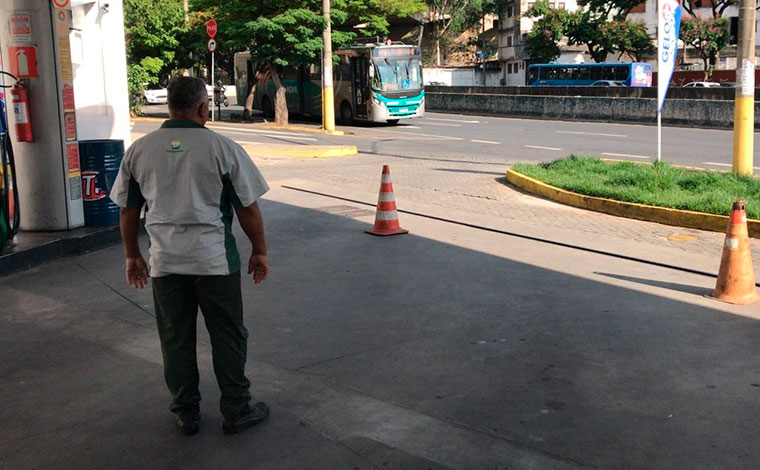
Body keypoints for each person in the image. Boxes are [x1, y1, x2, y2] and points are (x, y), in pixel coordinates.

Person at [110, 76, 270, 436]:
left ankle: (187, 412)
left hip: (165, 263)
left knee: (175, 338)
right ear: (203, 107)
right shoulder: (222, 148)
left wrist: (132, 255)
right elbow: (248, 207)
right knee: (228, 335)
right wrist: (259, 251)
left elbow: (127, 211)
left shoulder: (140, 150)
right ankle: (236, 408)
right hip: (214, 262)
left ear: (169, 106)